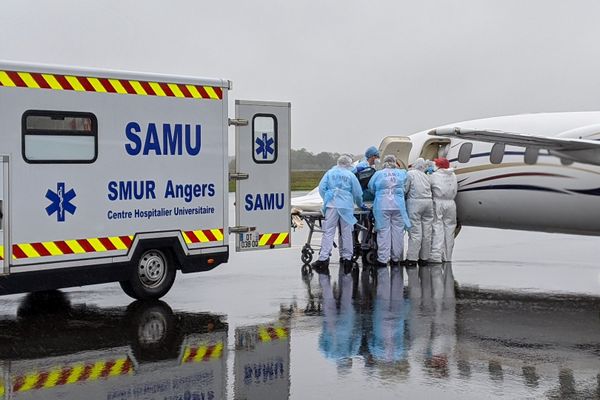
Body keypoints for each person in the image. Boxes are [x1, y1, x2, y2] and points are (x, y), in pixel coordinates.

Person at [311, 155, 364, 274]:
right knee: (346, 232)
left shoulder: (330, 173)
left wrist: (327, 198)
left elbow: (321, 188)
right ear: (349, 164)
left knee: (328, 232)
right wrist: (360, 204)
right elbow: (357, 193)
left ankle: (323, 258)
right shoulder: (350, 175)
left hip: (332, 205)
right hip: (345, 206)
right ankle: (347, 258)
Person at [367, 154, 411, 268]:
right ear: (395, 162)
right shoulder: (402, 173)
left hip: (383, 205)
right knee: (398, 232)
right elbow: (405, 188)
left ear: (384, 162)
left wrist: (381, 192)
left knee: (383, 231)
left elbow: (371, 187)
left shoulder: (379, 174)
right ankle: (396, 259)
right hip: (399, 205)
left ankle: (383, 259)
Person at [405, 158, 434, 266]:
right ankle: (424, 258)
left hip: (415, 203)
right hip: (428, 203)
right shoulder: (426, 176)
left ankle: (412, 259)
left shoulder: (410, 174)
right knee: (427, 232)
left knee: (415, 232)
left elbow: (405, 189)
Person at [429, 157, 458, 263]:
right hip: (451, 203)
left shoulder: (434, 176)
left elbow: (428, 186)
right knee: (449, 230)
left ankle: (436, 256)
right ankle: (447, 256)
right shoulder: (453, 175)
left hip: (439, 202)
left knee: (437, 227)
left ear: (438, 166)